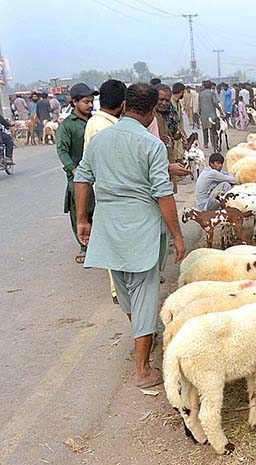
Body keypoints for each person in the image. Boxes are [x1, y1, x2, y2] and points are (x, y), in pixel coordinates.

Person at [74, 83, 186, 389]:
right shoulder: (152, 145)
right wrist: (177, 235)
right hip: (142, 229)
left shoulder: (100, 140)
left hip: (108, 228)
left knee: (126, 293)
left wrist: (83, 219)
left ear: (124, 105)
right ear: (151, 111)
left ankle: (140, 337)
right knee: (145, 295)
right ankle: (143, 370)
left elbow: (81, 177)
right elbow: (163, 194)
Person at [83, 79, 127, 303]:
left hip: (103, 188)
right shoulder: (107, 128)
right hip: (113, 191)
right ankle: (118, 290)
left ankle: (118, 288)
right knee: (118, 241)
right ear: (123, 104)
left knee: (115, 239)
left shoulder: (94, 122)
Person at [56, 83, 98, 264]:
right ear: (74, 102)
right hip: (79, 176)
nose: (90, 105)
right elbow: (62, 150)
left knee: (98, 211)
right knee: (80, 211)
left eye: (92, 101)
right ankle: (85, 247)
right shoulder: (67, 126)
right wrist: (74, 169)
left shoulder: (95, 122)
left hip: (99, 174)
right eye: (86, 101)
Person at [198, 80, 221, 149]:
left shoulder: (201, 94)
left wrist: (200, 112)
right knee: (212, 129)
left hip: (204, 114)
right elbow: (215, 102)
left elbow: (199, 104)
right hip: (212, 114)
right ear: (211, 86)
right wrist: (220, 109)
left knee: (205, 129)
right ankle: (213, 143)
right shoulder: (212, 93)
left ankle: (205, 143)